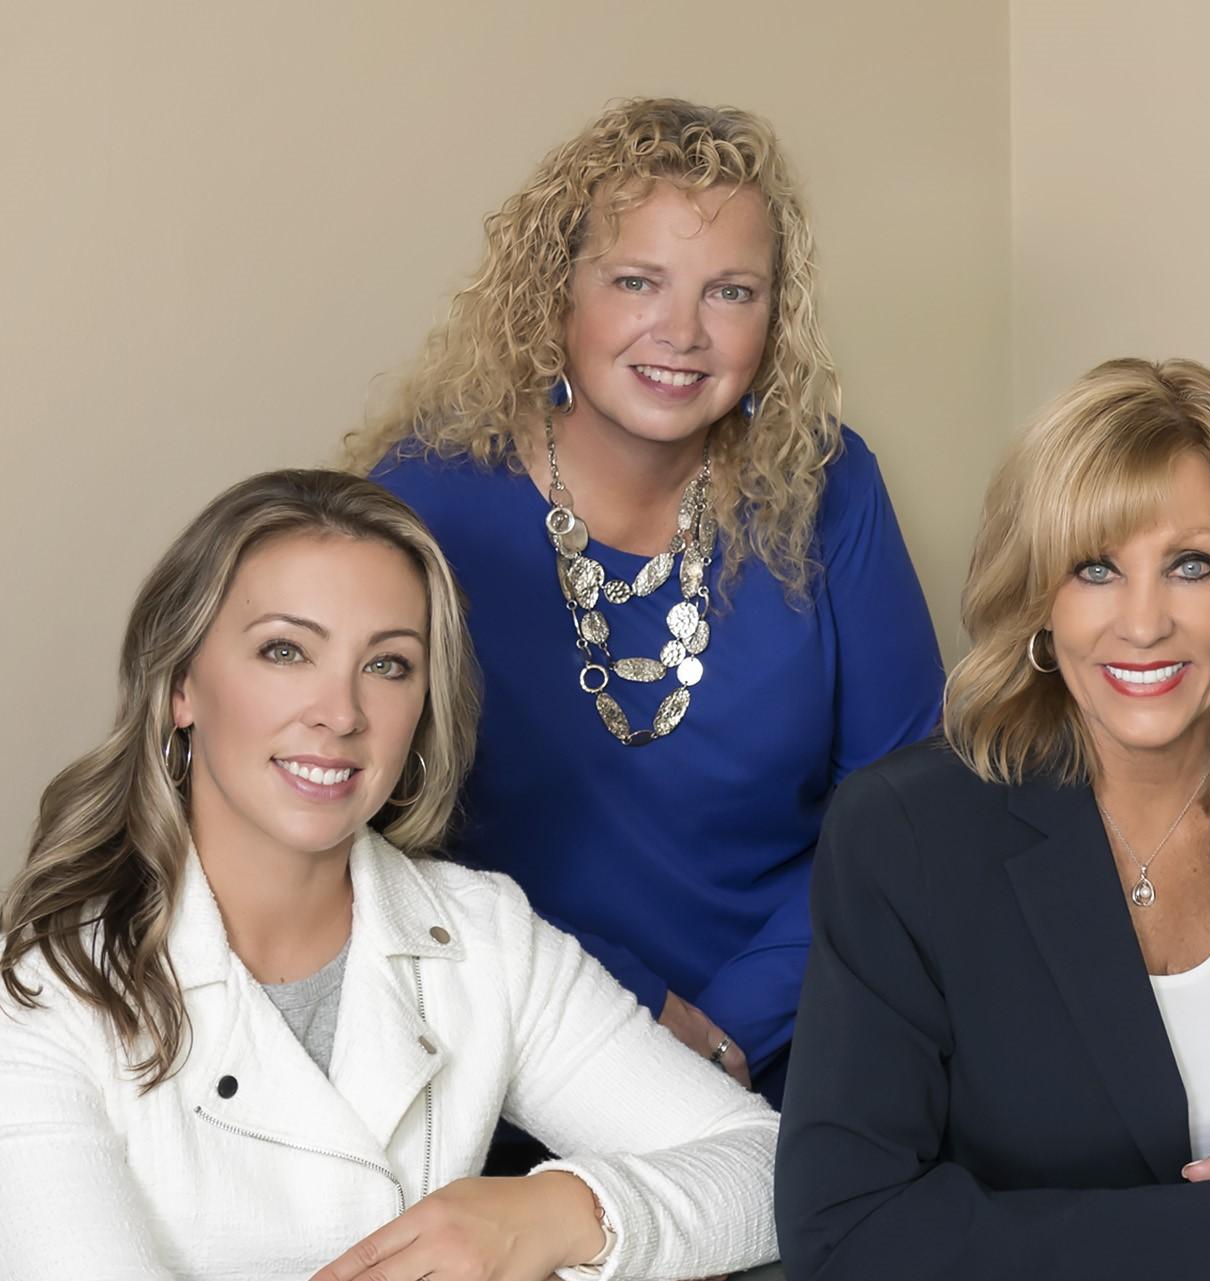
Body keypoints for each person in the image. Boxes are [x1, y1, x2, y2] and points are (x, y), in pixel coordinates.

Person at [0, 470, 780, 1279]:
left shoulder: (487, 935)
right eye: (286, 651)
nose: (340, 713)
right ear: (181, 685)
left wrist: (554, 1209)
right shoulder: (10, 998)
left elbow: (772, 1168)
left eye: (387, 664)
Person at [346, 98, 941, 1111]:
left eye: (732, 292)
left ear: (774, 316)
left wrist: (733, 1031)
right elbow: (383, 836)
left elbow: (910, 806)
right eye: (636, 281)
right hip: (513, 1054)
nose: (683, 333)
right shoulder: (422, 506)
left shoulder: (832, 490)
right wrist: (633, 1013)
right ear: (556, 296)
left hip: (811, 1035)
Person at [776, 359, 1210, 1281]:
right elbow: (845, 1230)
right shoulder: (903, 836)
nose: (1145, 622)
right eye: (1096, 569)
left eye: (1191, 565)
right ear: (1042, 600)